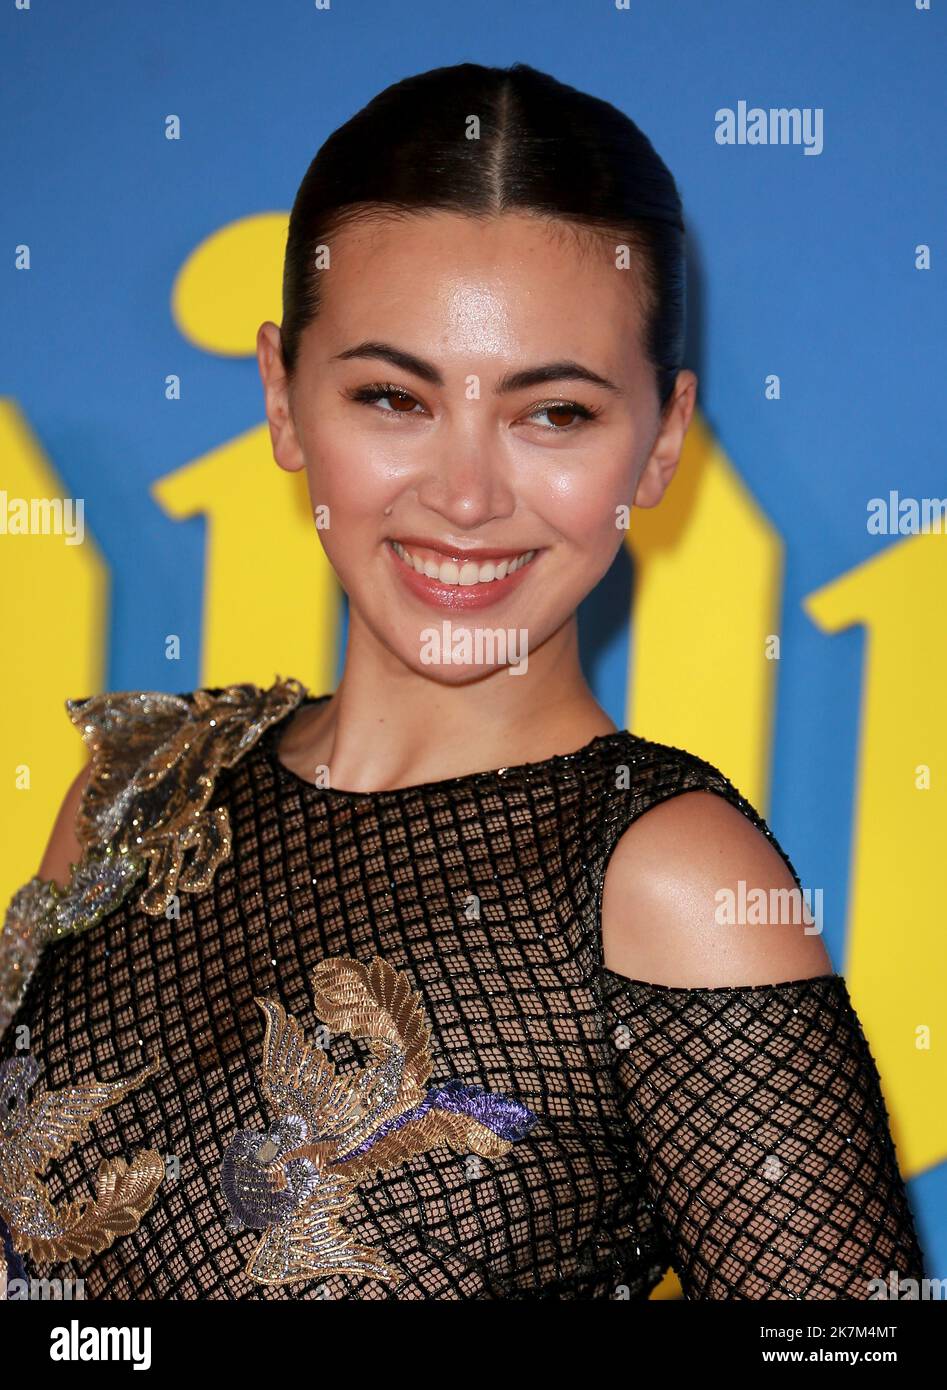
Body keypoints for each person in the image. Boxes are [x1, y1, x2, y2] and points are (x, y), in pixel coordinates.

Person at [0, 61, 925, 1301]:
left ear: (657, 441)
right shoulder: (141, 785)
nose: (466, 496)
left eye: (553, 414)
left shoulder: (666, 882)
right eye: (393, 396)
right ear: (282, 400)